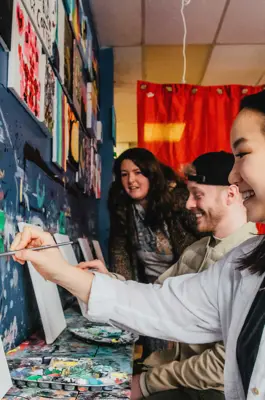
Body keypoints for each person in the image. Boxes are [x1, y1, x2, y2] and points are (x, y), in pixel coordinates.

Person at [10, 90, 265, 400]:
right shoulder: (242, 262)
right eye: (124, 174)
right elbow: (164, 303)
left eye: (243, 154)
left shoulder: (188, 222)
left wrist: (146, 383)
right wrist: (63, 270)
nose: (234, 175)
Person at [79, 151, 256, 400]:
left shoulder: (251, 262)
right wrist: (106, 280)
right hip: (179, 375)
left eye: (197, 195)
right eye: (124, 174)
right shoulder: (197, 250)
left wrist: (147, 382)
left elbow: (226, 363)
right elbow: (156, 299)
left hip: (214, 390)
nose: (187, 204)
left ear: (231, 194)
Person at [107, 148, 199, 282]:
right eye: (124, 174)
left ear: (151, 174)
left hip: (184, 284)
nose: (131, 180)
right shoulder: (122, 206)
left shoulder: (179, 199)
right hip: (149, 288)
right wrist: (124, 290)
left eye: (138, 172)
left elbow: (207, 238)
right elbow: (119, 252)